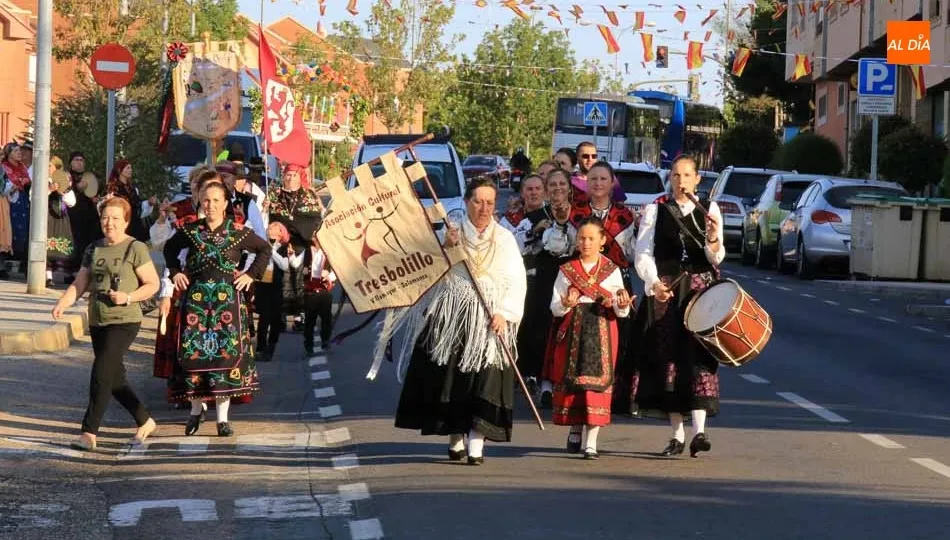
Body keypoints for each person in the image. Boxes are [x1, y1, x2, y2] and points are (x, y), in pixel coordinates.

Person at [382, 177, 527, 465]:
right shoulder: (452, 233)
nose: (484, 208)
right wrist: (446, 249)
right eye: (477, 202)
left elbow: (517, 280)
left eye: (489, 202)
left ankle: (476, 440)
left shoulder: (505, 238)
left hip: (490, 317)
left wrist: (505, 312)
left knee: (484, 379)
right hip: (454, 315)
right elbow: (430, 274)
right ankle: (455, 434)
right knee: (453, 380)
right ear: (466, 202)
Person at [162, 177, 272, 437]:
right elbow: (169, 249)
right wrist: (176, 272)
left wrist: (250, 275)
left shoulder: (237, 232)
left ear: (225, 204)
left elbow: (264, 249)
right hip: (196, 303)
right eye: (206, 200)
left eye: (216, 201)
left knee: (224, 358)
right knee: (195, 357)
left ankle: (222, 420)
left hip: (227, 304)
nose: (210, 205)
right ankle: (194, 411)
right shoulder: (190, 230)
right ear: (200, 201)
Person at [632, 154, 725, 458]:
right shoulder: (655, 210)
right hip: (667, 291)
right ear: (669, 179)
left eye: (687, 176)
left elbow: (716, 258)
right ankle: (677, 434)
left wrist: (712, 238)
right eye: (675, 176)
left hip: (700, 292)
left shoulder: (710, 210)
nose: (681, 181)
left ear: (697, 179)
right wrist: (653, 282)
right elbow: (643, 253)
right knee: (668, 358)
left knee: (699, 357)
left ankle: (700, 432)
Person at [51, 197, 161, 451]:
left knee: (101, 371)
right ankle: (144, 420)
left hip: (125, 320)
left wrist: (128, 297)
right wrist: (63, 303)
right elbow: (81, 282)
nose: (109, 223)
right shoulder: (94, 248)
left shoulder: (135, 248)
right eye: (105, 218)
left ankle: (89, 433)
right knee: (113, 377)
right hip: (98, 319)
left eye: (114, 218)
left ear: (125, 221)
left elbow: (152, 285)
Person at [548, 217, 632, 459]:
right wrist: (565, 303)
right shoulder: (567, 271)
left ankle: (591, 442)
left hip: (601, 329)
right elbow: (554, 306)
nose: (586, 243)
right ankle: (575, 428)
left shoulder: (611, 271)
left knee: (596, 385)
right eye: (582, 238)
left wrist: (621, 303)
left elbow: (621, 306)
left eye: (591, 238)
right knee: (575, 383)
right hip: (574, 329)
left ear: (602, 241)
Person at [513, 169, 574, 403]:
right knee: (544, 331)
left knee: (568, 331)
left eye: (562, 183)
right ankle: (544, 383)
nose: (557, 188)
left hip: (572, 278)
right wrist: (535, 231)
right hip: (544, 280)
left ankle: (566, 382)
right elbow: (518, 246)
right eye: (552, 184)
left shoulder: (580, 214)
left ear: (569, 187)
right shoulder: (534, 216)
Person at [255, 221, 293, 362]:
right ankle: (261, 347)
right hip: (263, 285)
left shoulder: (283, 248)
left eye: (275, 230)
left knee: (275, 319)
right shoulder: (262, 246)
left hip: (276, 286)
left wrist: (272, 251)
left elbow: (284, 265)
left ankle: (271, 346)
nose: (271, 232)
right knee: (264, 317)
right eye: (269, 229)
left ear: (280, 234)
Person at [295, 227, 336, 356]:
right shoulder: (307, 251)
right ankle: (309, 345)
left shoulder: (330, 253)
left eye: (315, 234)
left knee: (326, 318)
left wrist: (329, 276)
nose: (313, 236)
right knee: (309, 320)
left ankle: (325, 340)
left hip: (324, 289)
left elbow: (337, 270)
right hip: (310, 289)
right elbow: (295, 264)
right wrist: (291, 257)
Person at [106, 159, 156, 242]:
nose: (131, 170)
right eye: (128, 168)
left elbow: (138, 209)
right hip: (121, 228)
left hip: (135, 228)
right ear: (120, 170)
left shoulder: (132, 189)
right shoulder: (113, 189)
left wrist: (149, 203)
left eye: (131, 168)